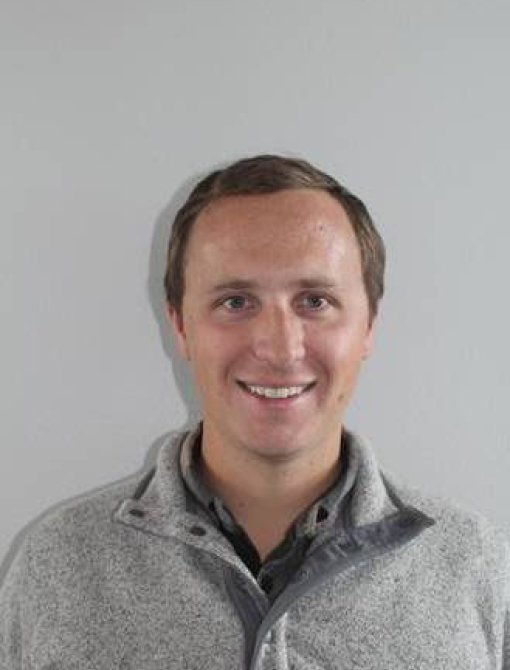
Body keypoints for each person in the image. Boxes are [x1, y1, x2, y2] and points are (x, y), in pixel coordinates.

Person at [1, 155, 509, 669]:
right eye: (236, 302)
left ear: (368, 326)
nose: (280, 348)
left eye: (314, 301)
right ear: (180, 326)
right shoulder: (58, 565)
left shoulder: (477, 567)